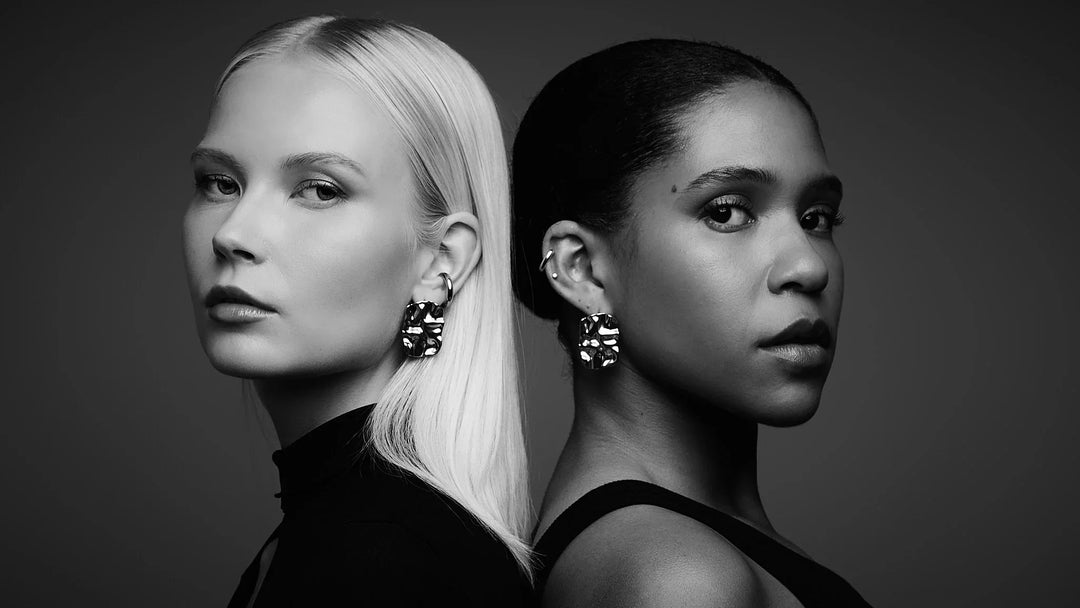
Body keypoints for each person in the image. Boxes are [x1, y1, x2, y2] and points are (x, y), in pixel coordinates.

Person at [182, 16, 530, 606]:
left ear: (441, 260)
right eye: (219, 182)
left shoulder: (377, 557)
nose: (233, 233)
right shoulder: (361, 529)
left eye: (320, 189)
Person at [513, 40, 871, 607]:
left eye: (816, 217)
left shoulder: (689, 551)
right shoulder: (673, 576)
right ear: (582, 269)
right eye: (726, 211)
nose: (807, 266)